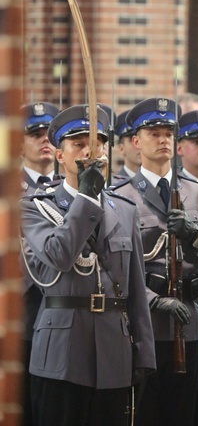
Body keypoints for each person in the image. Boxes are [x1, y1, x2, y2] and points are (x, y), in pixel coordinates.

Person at [20, 104, 156, 426]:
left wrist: (144, 353)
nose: (89, 152)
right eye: (79, 145)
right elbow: (59, 254)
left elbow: (136, 288)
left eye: (97, 144)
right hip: (62, 353)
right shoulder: (35, 206)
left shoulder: (125, 210)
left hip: (114, 351)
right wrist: (87, 198)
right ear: (60, 155)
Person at [112, 97, 198, 426]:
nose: (163, 140)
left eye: (168, 133)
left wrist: (193, 234)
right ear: (135, 141)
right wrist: (154, 301)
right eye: (154, 133)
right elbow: (112, 266)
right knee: (144, 413)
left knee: (184, 414)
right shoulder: (120, 195)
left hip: (189, 323)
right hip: (143, 325)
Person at [20, 101, 60, 426]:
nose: (44, 139)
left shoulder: (71, 189)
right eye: (35, 133)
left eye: (49, 133)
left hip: (62, 321)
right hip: (22, 314)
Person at [21, 102, 60, 192]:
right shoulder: (9, 187)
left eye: (50, 135)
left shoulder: (68, 186)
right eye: (36, 135)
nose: (46, 139)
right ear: (20, 146)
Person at [114, 109, 141, 177]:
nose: (139, 145)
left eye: (142, 139)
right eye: (132, 140)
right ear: (121, 149)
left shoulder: (162, 183)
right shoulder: (114, 186)